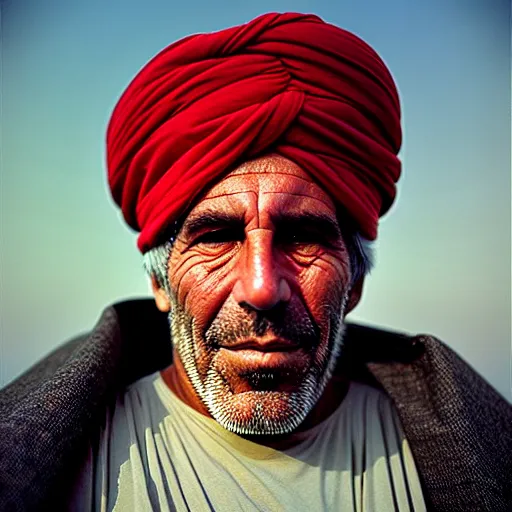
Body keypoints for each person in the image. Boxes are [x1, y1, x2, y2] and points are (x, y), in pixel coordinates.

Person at [1, 12, 510, 512]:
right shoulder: (68, 465)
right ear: (160, 281)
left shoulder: (456, 461)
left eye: (302, 238)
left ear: (353, 281)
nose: (262, 288)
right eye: (218, 238)